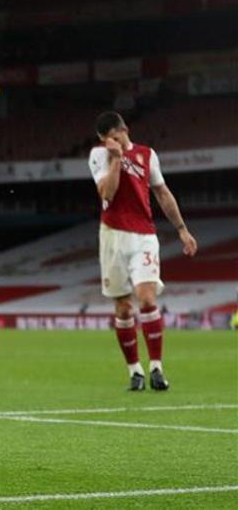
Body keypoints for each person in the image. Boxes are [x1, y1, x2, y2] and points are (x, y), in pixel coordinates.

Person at [89, 111, 197, 391]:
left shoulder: (147, 155)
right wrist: (114, 158)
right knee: (124, 308)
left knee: (147, 299)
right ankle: (135, 371)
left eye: (112, 138)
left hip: (144, 236)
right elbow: (107, 194)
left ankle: (157, 369)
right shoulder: (99, 156)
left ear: (123, 129)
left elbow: (162, 193)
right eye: (104, 140)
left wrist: (182, 228)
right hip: (113, 235)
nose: (107, 143)